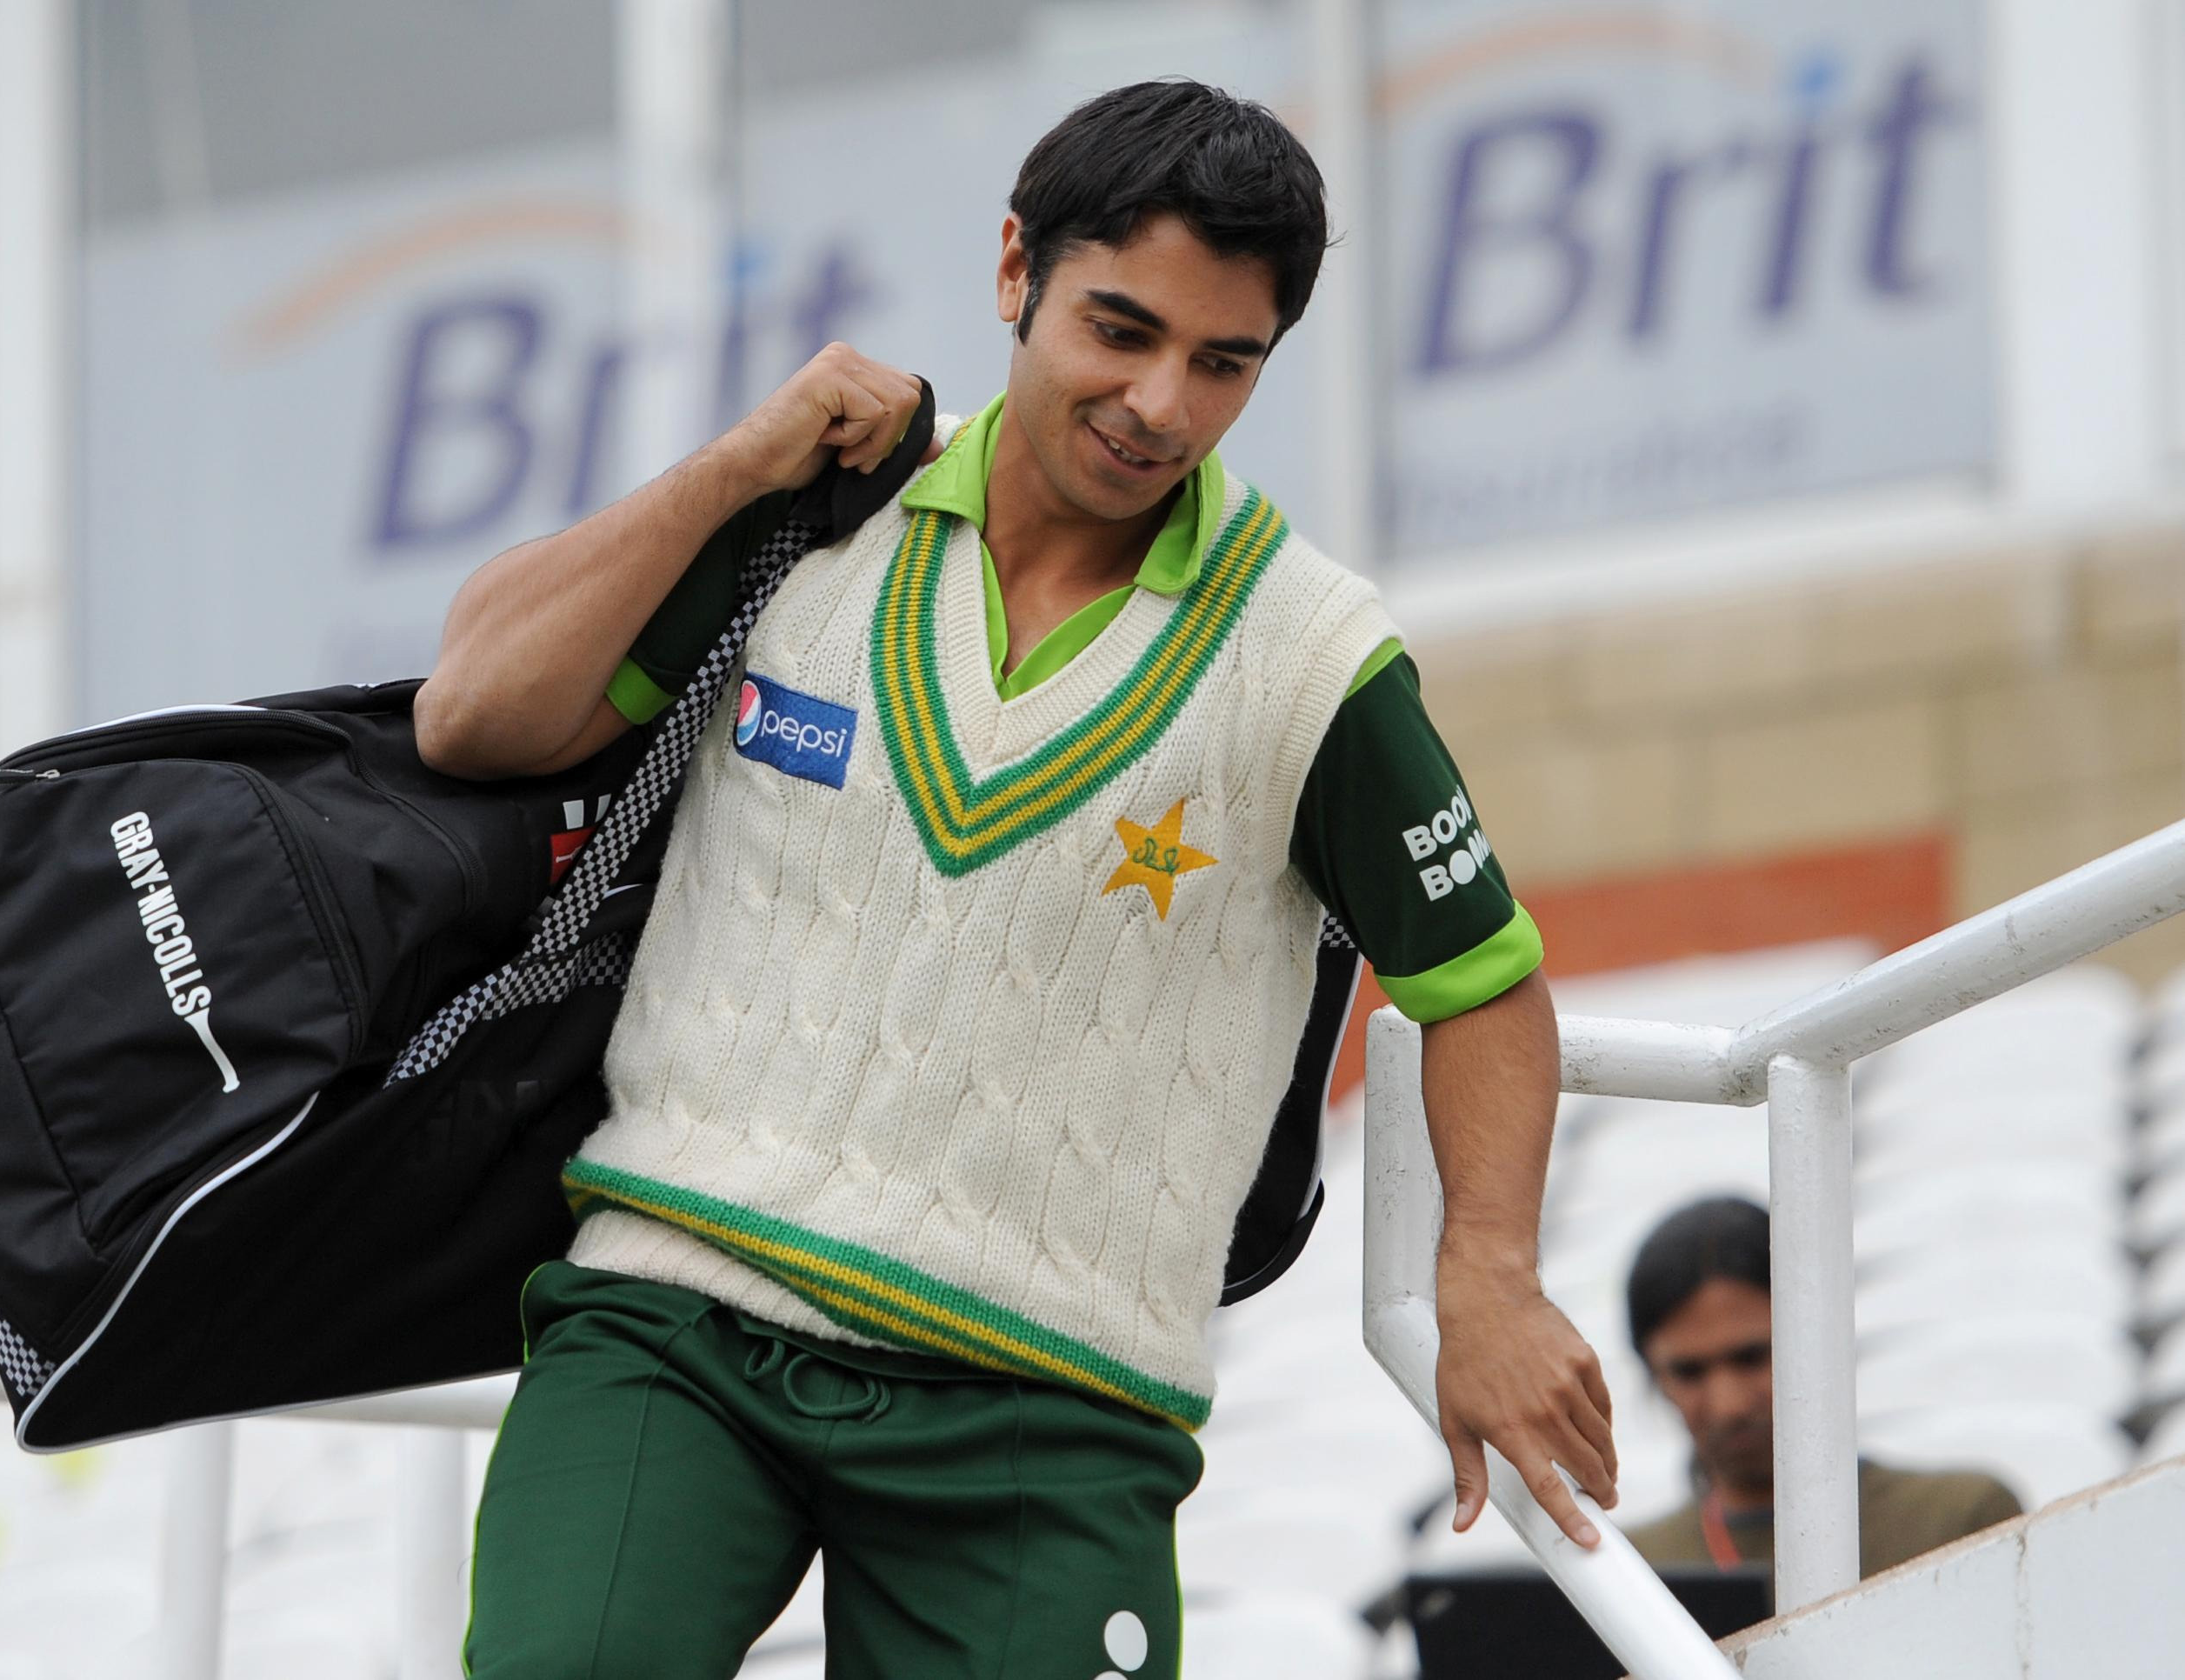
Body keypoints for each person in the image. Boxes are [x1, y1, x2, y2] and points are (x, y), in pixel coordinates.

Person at [419, 79, 1617, 1677]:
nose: (1158, 403)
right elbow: (474, 712)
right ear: (1011, 272)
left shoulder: (1311, 661)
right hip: (672, 1327)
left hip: (1046, 1414)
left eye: (1221, 362)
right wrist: (728, 468)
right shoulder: (804, 515)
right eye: (1117, 330)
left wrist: (1487, 1274)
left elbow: (1480, 986)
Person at [1622, 1197, 2023, 1580]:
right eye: (1689, 1372)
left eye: (1753, 1357)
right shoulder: (1626, 1573)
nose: (1730, 1406)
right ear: (1654, 1375)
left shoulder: (1960, 1520)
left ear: (1819, 1338)